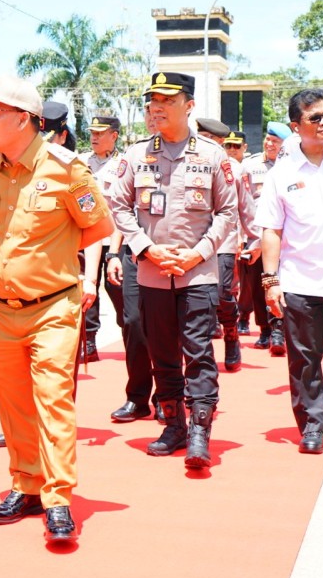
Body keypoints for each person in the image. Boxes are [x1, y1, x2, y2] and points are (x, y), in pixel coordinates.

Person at [0, 75, 113, 543]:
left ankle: (57, 498)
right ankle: (25, 484)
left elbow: (97, 226)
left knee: (52, 400)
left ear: (23, 120)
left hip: (53, 309)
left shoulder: (67, 169)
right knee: (11, 405)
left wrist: (62, 265)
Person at [112, 72, 238, 470]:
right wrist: (145, 248)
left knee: (198, 352)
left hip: (198, 274)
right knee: (161, 353)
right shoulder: (135, 156)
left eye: (168, 100)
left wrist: (197, 253)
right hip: (151, 273)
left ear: (189, 106)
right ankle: (173, 424)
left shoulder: (214, 156)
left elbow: (228, 212)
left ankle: (201, 431)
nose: (158, 107)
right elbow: (117, 207)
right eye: (154, 100)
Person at [256, 89, 323, 454]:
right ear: (295, 126)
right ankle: (312, 423)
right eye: (314, 118)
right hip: (299, 281)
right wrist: (270, 280)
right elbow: (271, 229)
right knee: (304, 358)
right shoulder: (280, 174)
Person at [106, 101, 158, 423]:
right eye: (151, 111)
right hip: (135, 254)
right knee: (134, 324)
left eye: (163, 108)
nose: (156, 116)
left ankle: (169, 397)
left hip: (175, 258)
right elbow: (118, 209)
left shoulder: (197, 156)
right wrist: (114, 253)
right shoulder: (134, 156)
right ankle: (138, 397)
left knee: (170, 330)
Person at [242, 122, 292, 353]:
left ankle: (279, 330)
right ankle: (264, 330)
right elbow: (241, 202)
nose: (270, 144)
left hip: (285, 236)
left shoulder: (291, 166)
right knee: (257, 283)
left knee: (279, 281)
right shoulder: (250, 165)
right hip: (255, 236)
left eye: (276, 141)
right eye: (268, 139)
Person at [81, 115, 125, 361]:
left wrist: (115, 252)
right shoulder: (80, 162)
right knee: (88, 289)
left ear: (114, 136)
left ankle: (128, 329)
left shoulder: (123, 164)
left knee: (117, 290)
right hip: (87, 239)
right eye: (92, 133)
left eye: (100, 133)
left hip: (113, 239)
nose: (94, 137)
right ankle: (89, 341)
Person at [217, 130, 257, 371]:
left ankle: (231, 333)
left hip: (224, 241)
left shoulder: (236, 169)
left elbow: (246, 206)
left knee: (223, 292)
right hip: (191, 242)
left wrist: (254, 238)